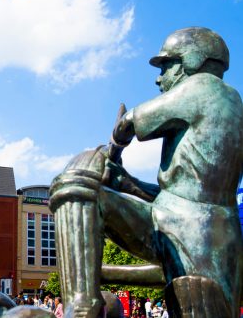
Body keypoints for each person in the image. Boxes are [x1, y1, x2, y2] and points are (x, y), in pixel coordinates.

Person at [49, 27, 243, 317]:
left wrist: (113, 148)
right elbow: (181, 199)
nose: (159, 77)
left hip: (177, 229)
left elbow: (129, 122)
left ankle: (81, 306)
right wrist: (126, 183)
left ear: (191, 61)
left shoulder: (203, 87)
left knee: (74, 185)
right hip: (207, 236)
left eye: (166, 65)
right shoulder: (232, 103)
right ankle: (86, 283)